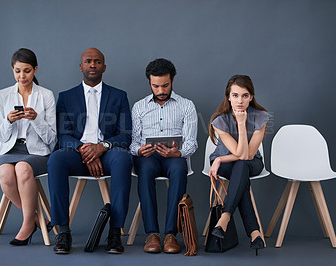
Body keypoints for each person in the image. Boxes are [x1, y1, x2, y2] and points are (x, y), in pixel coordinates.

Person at [48, 48, 132, 255]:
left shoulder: (119, 96)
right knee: (56, 159)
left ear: (104, 67)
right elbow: (63, 135)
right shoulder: (66, 97)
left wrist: (102, 147)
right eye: (88, 61)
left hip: (108, 152)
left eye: (97, 62)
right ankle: (63, 232)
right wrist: (84, 149)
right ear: (81, 66)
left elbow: (125, 135)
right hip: (77, 152)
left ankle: (114, 233)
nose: (92, 65)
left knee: (123, 159)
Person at [130, 58, 198, 254]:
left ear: (173, 80)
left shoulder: (186, 105)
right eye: (155, 86)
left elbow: (192, 142)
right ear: (149, 83)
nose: (160, 90)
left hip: (174, 157)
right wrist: (139, 150)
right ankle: (152, 234)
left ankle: (171, 235)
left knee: (179, 168)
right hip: (148, 157)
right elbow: (133, 142)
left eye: (165, 85)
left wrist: (179, 152)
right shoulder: (139, 107)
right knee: (145, 169)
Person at [0, 48, 57, 246]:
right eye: (18, 71)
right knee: (4, 171)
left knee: (22, 168)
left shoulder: (46, 95)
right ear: (12, 70)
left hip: (37, 153)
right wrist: (8, 121)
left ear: (35, 69)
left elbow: (52, 140)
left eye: (27, 70)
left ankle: (27, 224)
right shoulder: (3, 95)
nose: (22, 76)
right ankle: (38, 219)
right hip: (10, 151)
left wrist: (36, 119)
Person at [208, 74, 270, 255]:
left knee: (242, 166)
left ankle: (225, 217)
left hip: (252, 162)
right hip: (227, 164)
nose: (239, 101)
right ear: (228, 96)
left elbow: (247, 154)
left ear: (251, 96)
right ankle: (255, 232)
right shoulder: (219, 120)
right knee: (239, 172)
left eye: (244, 95)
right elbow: (238, 154)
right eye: (235, 95)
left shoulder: (261, 117)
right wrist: (219, 159)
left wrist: (242, 124)